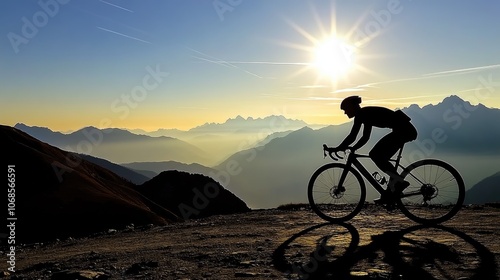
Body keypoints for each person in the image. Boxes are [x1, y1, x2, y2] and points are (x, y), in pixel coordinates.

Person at [329, 96, 418, 204]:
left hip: (403, 131)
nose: (345, 113)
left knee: (375, 155)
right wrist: (353, 148)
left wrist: (338, 148)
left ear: (352, 107)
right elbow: (365, 137)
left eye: (345, 110)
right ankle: (390, 193)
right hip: (404, 130)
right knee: (380, 157)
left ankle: (399, 182)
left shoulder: (362, 114)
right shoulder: (364, 114)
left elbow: (353, 136)